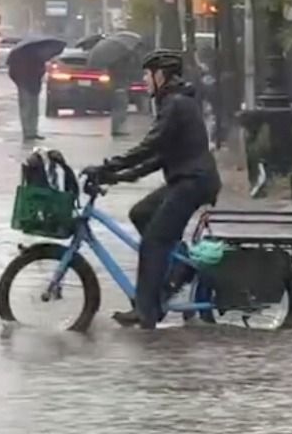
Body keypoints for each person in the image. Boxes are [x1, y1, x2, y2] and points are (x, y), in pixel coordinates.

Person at [84, 50, 222, 329]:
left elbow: (150, 146)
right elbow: (159, 156)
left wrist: (109, 166)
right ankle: (178, 267)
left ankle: (146, 310)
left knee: (154, 242)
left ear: (161, 75)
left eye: (148, 75)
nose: (145, 81)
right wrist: (119, 175)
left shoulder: (176, 105)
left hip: (193, 182)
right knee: (141, 213)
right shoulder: (173, 102)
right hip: (186, 179)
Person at [8, 52, 47, 142]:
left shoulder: (38, 58)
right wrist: (20, 82)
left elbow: (42, 71)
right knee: (28, 109)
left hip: (32, 86)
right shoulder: (18, 58)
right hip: (26, 86)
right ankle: (28, 132)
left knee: (32, 109)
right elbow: (12, 73)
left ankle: (31, 131)